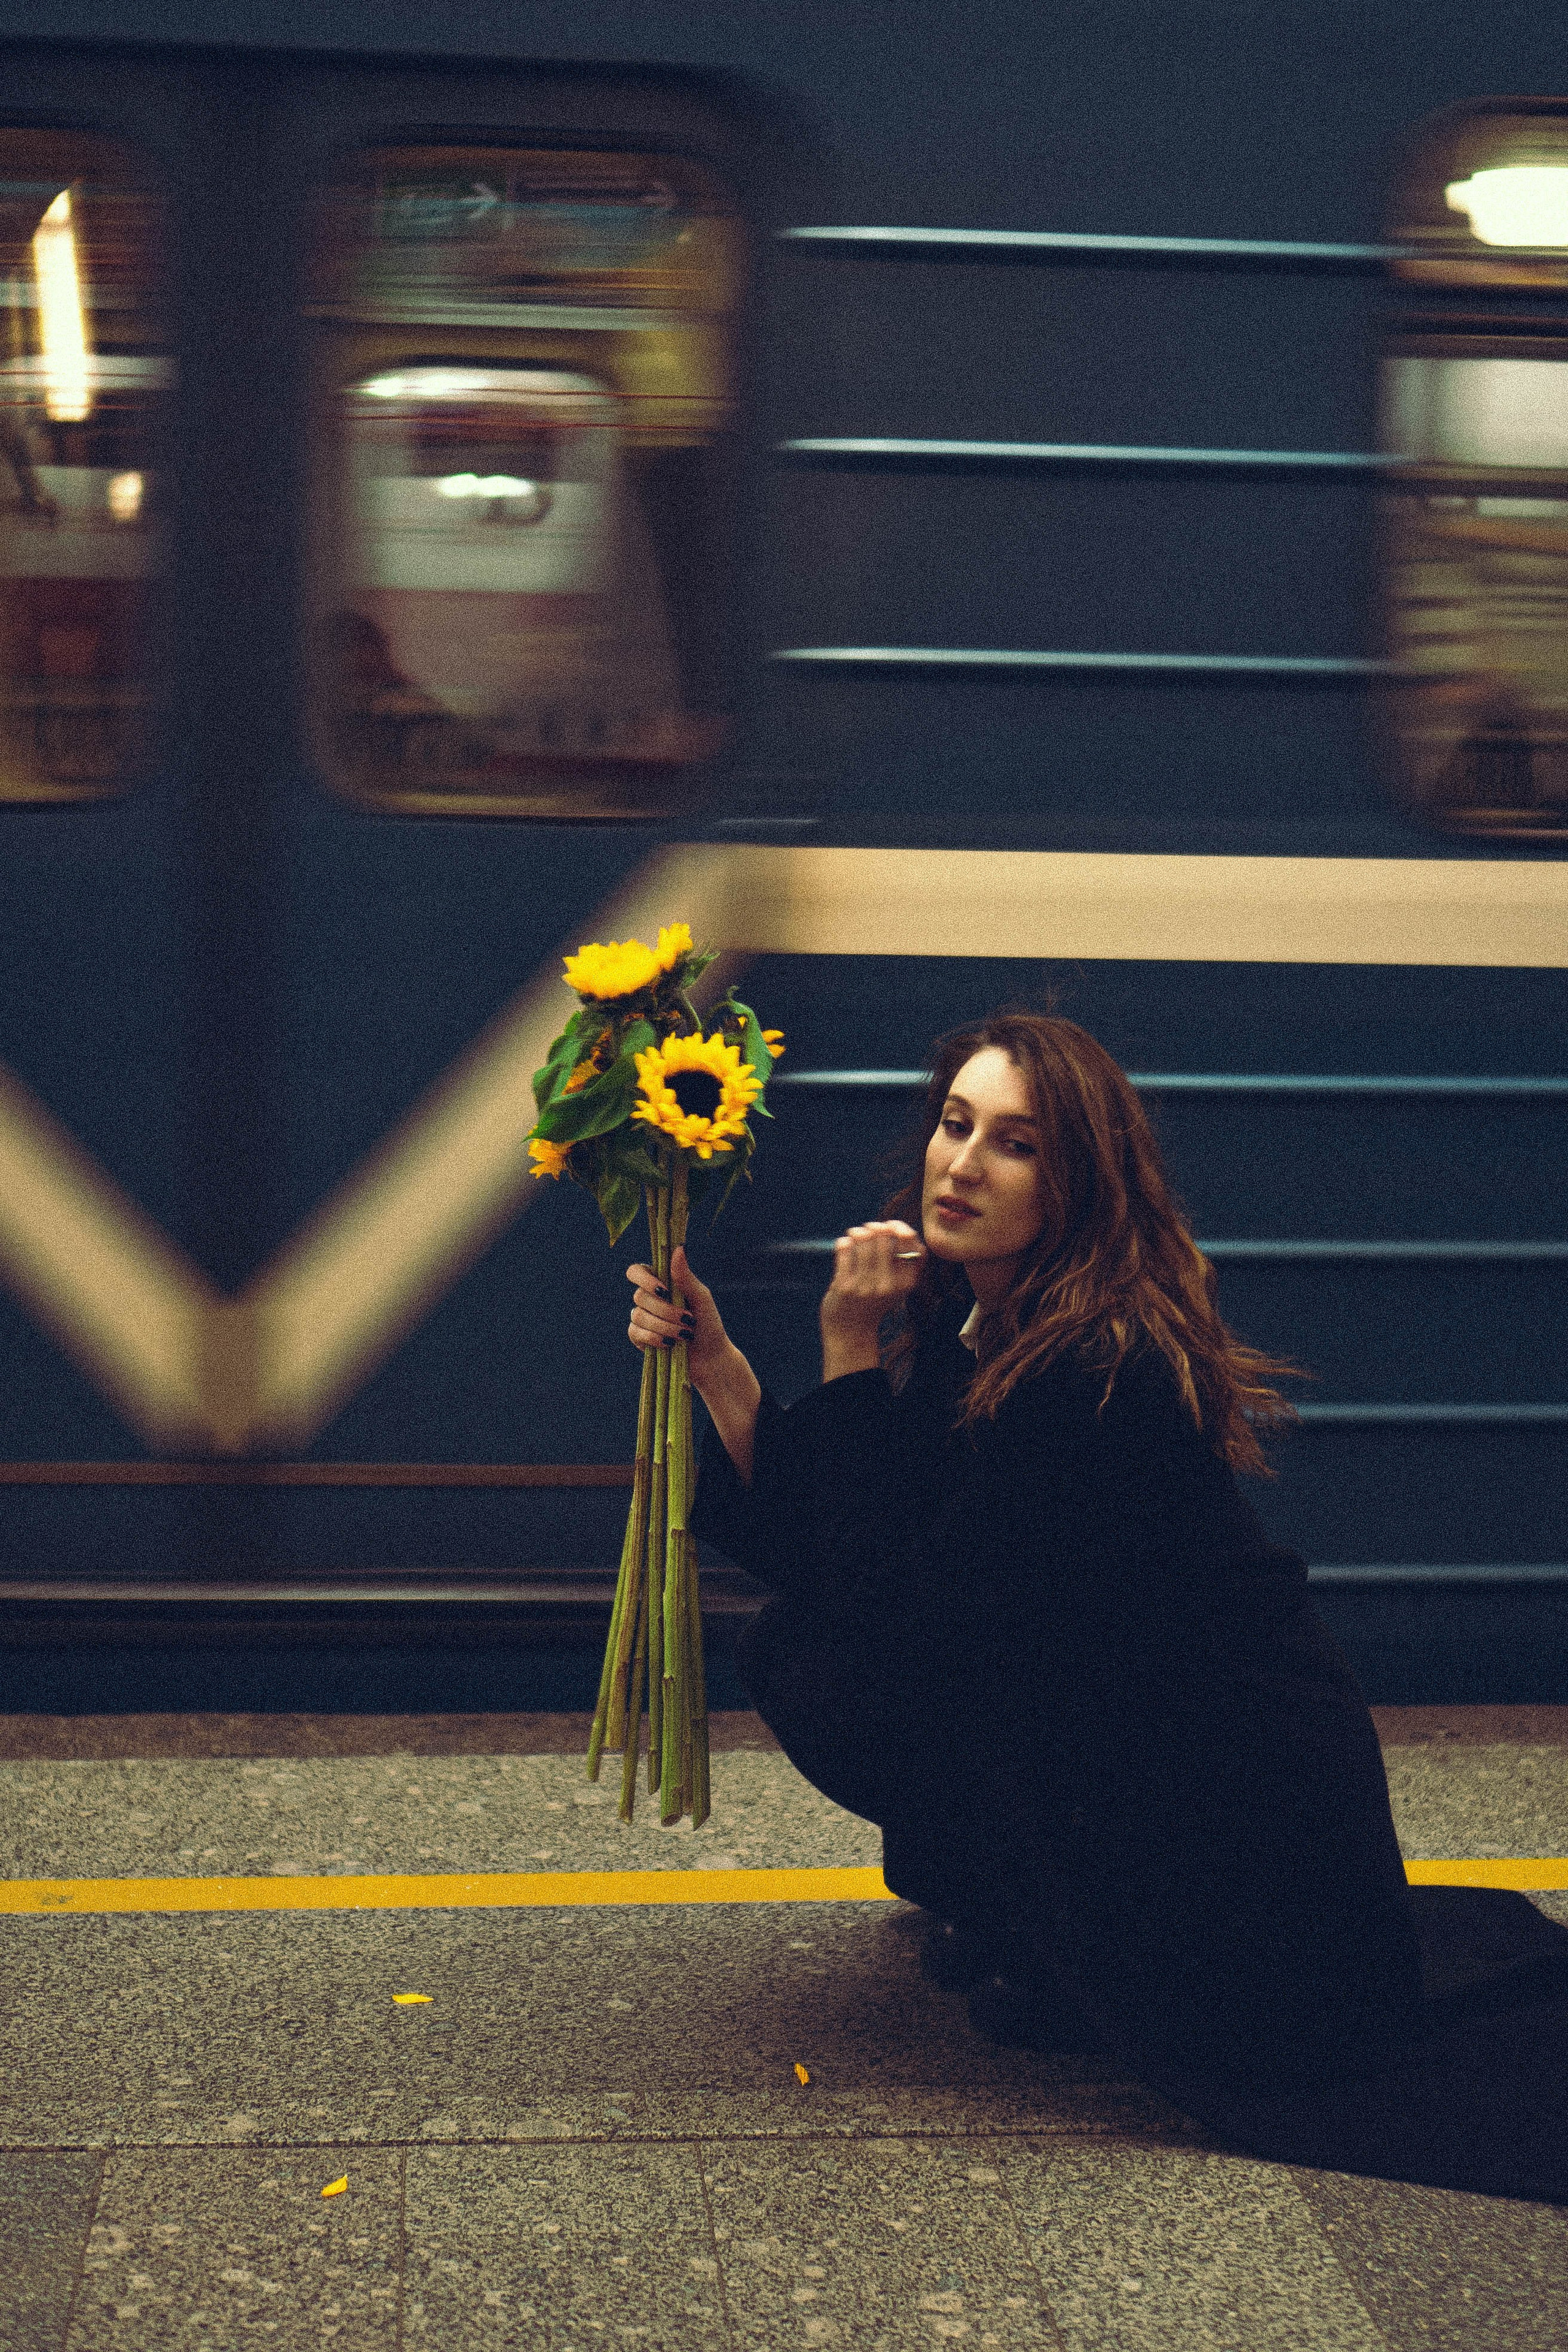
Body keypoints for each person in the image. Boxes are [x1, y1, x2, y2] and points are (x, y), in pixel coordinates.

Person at [625, 1012, 1568, 2204]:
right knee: (808, 1646)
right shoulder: (1003, 1322)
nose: (960, 1163)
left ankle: (1075, 1941)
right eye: (954, 1124)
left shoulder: (1093, 1369)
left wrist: (844, 1344)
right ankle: (1040, 1917)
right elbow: (847, 1535)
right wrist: (717, 1364)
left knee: (829, 1660)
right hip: (1153, 1772)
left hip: (1228, 1826)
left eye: (1013, 1144)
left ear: (1076, 1184)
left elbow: (891, 1600)